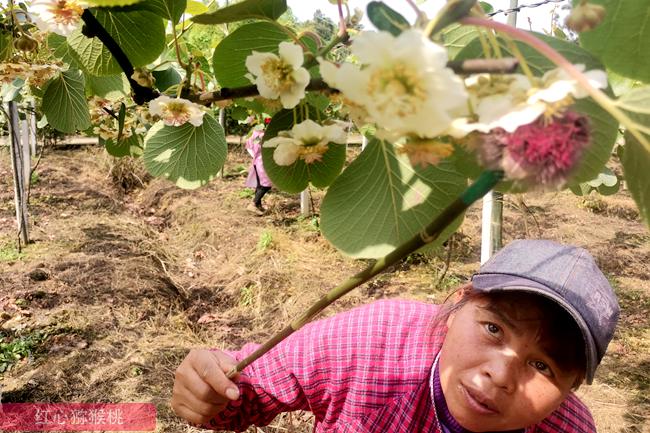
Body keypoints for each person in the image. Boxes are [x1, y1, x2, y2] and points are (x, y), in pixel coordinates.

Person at [171, 239, 620, 432]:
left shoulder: (568, 429)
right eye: (493, 328)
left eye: (543, 366)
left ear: (571, 390)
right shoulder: (371, 344)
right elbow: (243, 395)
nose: (500, 375)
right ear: (456, 305)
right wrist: (206, 390)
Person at [245, 121, 272, 216]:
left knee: (260, 184)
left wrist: (254, 156)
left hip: (257, 161)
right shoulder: (264, 135)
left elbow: (249, 146)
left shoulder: (255, 133)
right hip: (262, 162)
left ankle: (258, 205)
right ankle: (253, 204)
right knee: (266, 185)